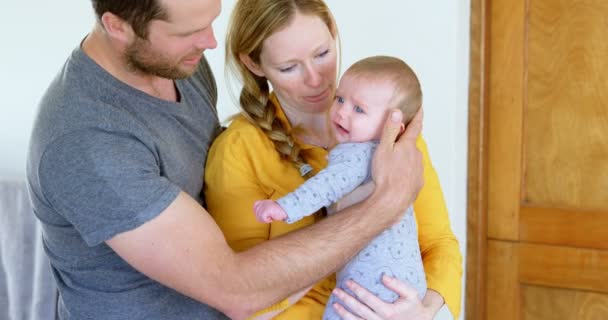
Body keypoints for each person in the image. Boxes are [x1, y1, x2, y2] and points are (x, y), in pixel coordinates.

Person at [26, 1, 424, 319]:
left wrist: (421, 307)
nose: (211, 42)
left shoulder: (182, 69)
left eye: (211, 19)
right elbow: (237, 290)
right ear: (117, 27)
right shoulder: (86, 140)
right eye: (189, 32)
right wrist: (387, 203)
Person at [204, 0, 463, 319]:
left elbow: (439, 243)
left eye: (322, 54)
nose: (315, 79)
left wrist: (424, 310)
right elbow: (245, 295)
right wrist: (359, 222)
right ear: (254, 64)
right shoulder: (238, 151)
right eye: (289, 67)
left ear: (333, 31)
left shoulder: (389, 129)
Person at [252, 55, 428, 320]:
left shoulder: (357, 154)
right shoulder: (400, 157)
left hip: (370, 286)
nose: (342, 112)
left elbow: (326, 187)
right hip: (409, 287)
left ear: (392, 126)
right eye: (340, 99)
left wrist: (283, 207)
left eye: (359, 109)